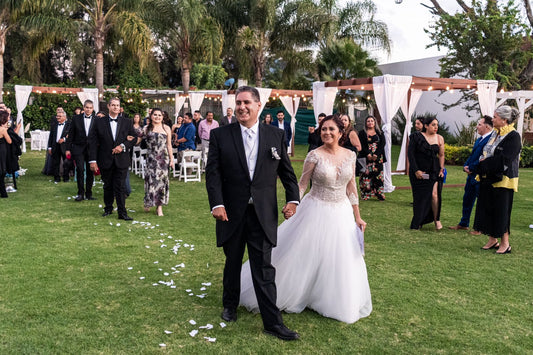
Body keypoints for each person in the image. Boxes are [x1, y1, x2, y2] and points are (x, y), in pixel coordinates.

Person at [239, 114, 371, 324]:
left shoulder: (350, 155)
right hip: (315, 208)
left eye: (331, 129)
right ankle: (296, 292)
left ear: (340, 132)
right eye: (323, 129)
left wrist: (358, 216)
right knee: (305, 254)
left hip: (342, 212)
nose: (326, 133)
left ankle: (330, 297)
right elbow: (301, 184)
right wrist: (294, 203)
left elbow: (351, 186)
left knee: (339, 257)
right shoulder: (314, 155)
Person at [205, 86, 301, 341]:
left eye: (247, 102)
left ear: (259, 106)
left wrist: (292, 200)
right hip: (231, 213)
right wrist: (217, 204)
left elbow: (287, 174)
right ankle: (229, 305)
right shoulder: (220, 135)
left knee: (264, 268)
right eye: (238, 102)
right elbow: (212, 174)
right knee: (232, 261)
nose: (241, 107)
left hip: (262, 214)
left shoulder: (275, 135)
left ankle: (272, 322)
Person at [474, 106, 521, 254]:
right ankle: (492, 239)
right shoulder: (495, 133)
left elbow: (505, 159)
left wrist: (483, 165)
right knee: (488, 208)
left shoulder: (513, 136)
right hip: (488, 177)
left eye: (495, 117)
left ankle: (505, 243)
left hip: (504, 179)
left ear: (504, 120)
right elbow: (487, 152)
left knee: (502, 211)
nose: (492, 119)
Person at [88, 98, 136, 221]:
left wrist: (123, 146)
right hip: (105, 159)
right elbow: (93, 142)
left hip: (122, 159)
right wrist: (92, 160)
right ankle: (108, 208)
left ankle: (122, 213)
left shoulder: (127, 122)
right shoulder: (99, 122)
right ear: (108, 107)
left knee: (120, 186)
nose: (116, 107)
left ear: (120, 108)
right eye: (113, 105)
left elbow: (134, 138)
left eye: (118, 105)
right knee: (108, 186)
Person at [449, 116, 493, 232]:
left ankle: (480, 228)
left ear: (487, 126)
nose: (477, 127)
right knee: (467, 199)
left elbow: (483, 157)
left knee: (481, 202)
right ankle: (464, 223)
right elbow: (473, 155)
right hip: (471, 175)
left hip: (480, 176)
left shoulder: (490, 140)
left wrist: (472, 167)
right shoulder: (479, 139)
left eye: (479, 124)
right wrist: (466, 166)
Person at [408, 116, 445, 230]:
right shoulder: (416, 137)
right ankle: (419, 220)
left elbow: (441, 155)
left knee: (434, 195)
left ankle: (436, 220)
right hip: (417, 171)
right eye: (433, 125)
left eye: (437, 125)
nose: (436, 127)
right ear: (426, 126)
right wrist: (416, 170)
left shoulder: (439, 138)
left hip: (434, 170)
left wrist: (441, 168)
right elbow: (411, 154)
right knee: (420, 197)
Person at [140, 108, 173, 216]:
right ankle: (149, 202)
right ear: (151, 116)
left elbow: (169, 145)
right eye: (155, 115)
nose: (157, 117)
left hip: (163, 159)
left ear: (162, 117)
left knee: (161, 183)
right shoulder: (146, 128)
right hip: (151, 159)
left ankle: (159, 208)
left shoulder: (166, 128)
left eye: (159, 115)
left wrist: (172, 160)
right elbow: (137, 140)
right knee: (151, 181)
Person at [66, 100, 96, 201]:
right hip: (78, 148)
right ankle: (80, 193)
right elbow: (71, 134)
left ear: (93, 109)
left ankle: (89, 193)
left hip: (91, 149)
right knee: (79, 169)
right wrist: (68, 149)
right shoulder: (76, 118)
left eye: (90, 108)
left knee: (90, 171)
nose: (88, 109)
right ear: (84, 107)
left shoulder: (97, 120)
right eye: (87, 107)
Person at [358, 115, 386, 201]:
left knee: (378, 176)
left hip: (378, 157)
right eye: (368, 121)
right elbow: (361, 144)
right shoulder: (362, 133)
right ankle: (366, 194)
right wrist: (368, 154)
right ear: (366, 123)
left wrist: (376, 154)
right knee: (366, 175)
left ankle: (379, 194)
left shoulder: (380, 132)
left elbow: (382, 144)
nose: (370, 123)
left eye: (372, 121)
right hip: (366, 157)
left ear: (375, 123)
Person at [47, 111, 71, 183]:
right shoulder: (54, 125)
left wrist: (64, 139)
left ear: (64, 117)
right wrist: (50, 147)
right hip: (55, 146)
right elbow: (51, 137)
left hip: (65, 146)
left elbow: (72, 135)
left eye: (59, 116)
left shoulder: (69, 125)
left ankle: (66, 178)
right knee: (55, 163)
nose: (58, 117)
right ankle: (56, 178)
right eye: (57, 116)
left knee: (66, 162)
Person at [0, 111, 12, 197]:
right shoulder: (3, 130)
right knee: (2, 169)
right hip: (1, 150)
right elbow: (9, 141)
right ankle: (3, 193)